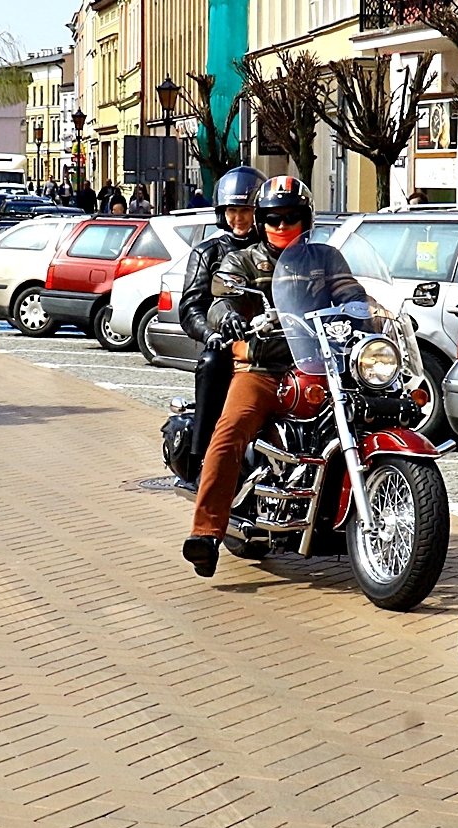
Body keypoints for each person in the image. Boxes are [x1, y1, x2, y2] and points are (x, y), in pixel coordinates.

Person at [182, 175, 361, 577]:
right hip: (262, 367)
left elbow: (351, 293)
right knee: (230, 430)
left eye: (291, 217)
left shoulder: (326, 259)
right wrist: (227, 316)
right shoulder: (242, 260)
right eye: (273, 218)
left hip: (318, 365)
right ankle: (205, 532)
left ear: (306, 219)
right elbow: (221, 298)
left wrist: (365, 312)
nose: (282, 225)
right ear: (261, 221)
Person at [174, 166, 266, 490]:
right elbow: (191, 306)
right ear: (222, 213)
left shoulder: (273, 249)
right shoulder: (208, 252)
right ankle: (201, 460)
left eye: (246, 210)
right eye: (232, 211)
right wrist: (210, 333)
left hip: (274, 340)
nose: (239, 218)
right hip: (228, 342)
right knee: (212, 364)